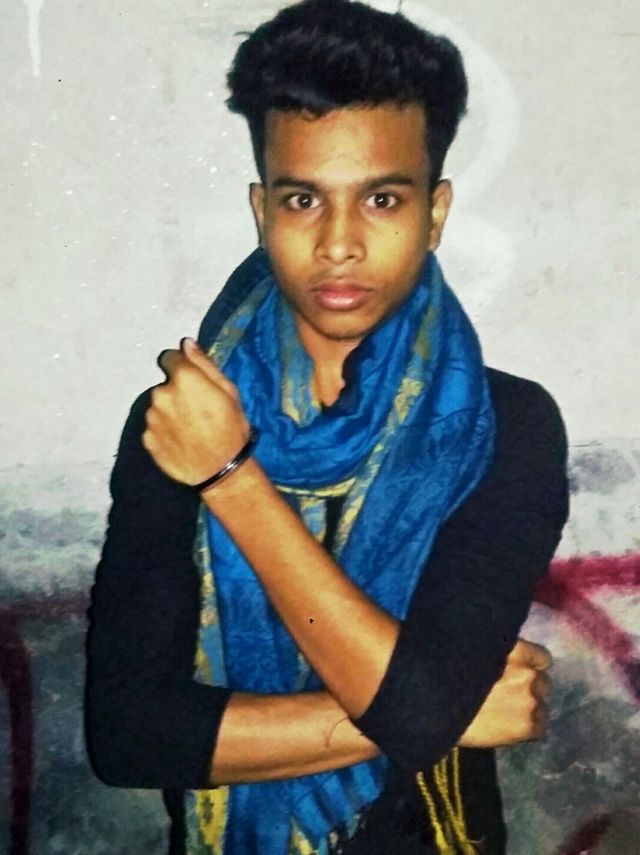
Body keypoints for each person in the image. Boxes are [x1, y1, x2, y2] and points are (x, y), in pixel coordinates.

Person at [85, 1, 569, 853]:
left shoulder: (504, 427)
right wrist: (444, 712)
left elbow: (422, 707)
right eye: (304, 198)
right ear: (261, 209)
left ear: (435, 212)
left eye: (381, 198)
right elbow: (128, 735)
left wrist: (231, 479)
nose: (339, 242)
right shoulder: (175, 422)